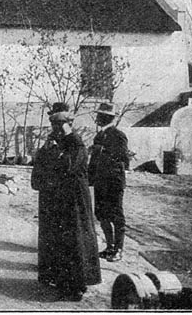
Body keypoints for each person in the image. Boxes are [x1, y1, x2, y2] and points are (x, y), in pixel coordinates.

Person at [31, 102, 101, 301]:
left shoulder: (76, 144)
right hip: (56, 200)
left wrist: (53, 155)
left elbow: (68, 165)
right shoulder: (51, 143)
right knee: (57, 240)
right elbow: (40, 171)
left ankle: (76, 285)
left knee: (74, 241)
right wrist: (47, 154)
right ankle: (57, 278)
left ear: (68, 126)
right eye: (54, 126)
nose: (56, 130)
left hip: (74, 202)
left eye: (60, 126)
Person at [88, 102, 129, 263]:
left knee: (116, 215)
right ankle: (109, 246)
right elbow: (94, 161)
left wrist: (102, 151)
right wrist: (90, 178)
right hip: (100, 182)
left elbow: (123, 157)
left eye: (100, 115)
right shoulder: (99, 136)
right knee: (101, 214)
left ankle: (119, 249)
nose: (97, 118)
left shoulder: (118, 135)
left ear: (107, 117)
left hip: (113, 182)